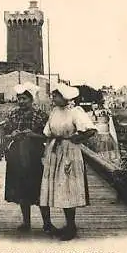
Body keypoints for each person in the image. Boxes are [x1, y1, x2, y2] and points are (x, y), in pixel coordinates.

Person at [40, 83, 97, 241]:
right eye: (53, 95)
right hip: (56, 151)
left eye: (56, 95)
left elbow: (91, 130)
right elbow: (47, 132)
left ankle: (71, 226)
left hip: (70, 151)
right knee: (61, 188)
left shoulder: (75, 112)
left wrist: (78, 138)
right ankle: (68, 225)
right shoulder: (54, 111)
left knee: (68, 187)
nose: (53, 98)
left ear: (64, 96)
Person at [4, 82, 56, 235]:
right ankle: (26, 222)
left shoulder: (40, 115)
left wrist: (33, 135)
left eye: (25, 99)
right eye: (19, 98)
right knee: (22, 190)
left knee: (40, 189)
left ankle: (47, 223)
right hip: (16, 155)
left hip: (35, 155)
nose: (21, 101)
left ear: (31, 99)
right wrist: (11, 135)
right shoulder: (12, 114)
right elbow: (5, 134)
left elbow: (48, 136)